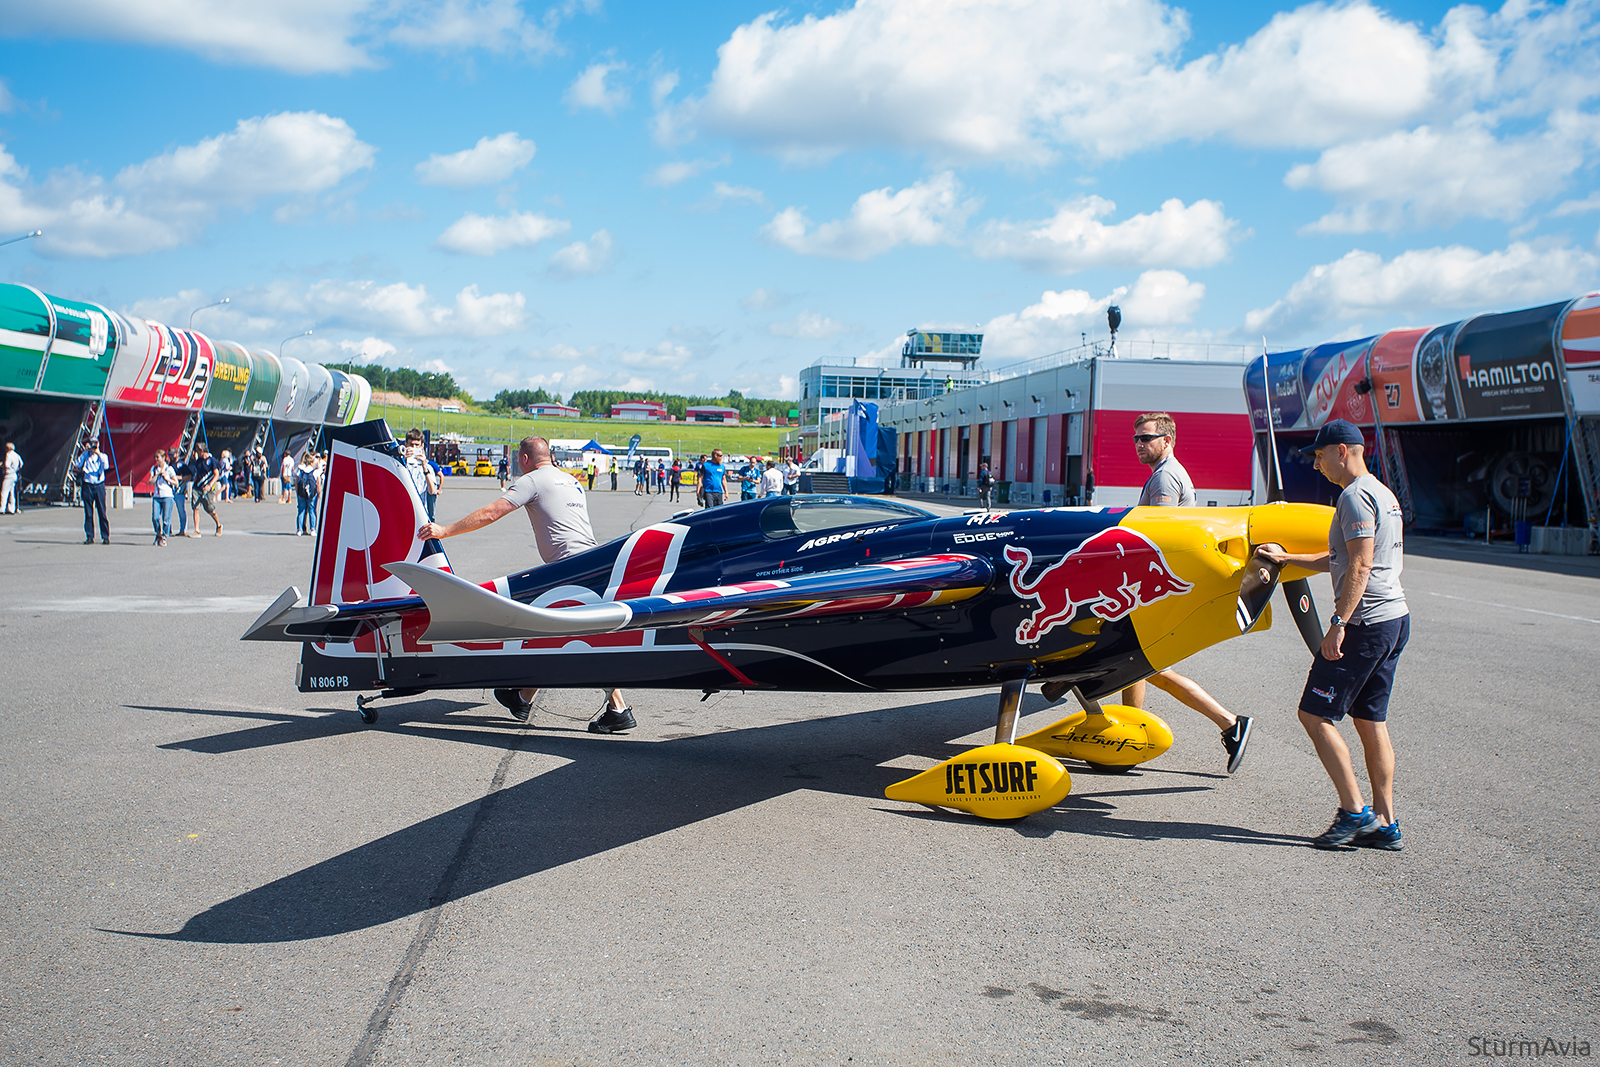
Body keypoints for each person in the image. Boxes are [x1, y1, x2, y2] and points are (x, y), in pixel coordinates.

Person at [418, 435, 635, 734]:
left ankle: (618, 708)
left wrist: (444, 530)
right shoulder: (571, 481)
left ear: (523, 460)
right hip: (592, 562)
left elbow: (492, 512)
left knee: (567, 639)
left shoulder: (532, 480)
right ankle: (523, 697)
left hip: (568, 569)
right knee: (556, 637)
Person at [1260, 420, 1409, 851]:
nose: (1317, 462)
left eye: (1320, 454)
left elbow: (1360, 566)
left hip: (1365, 624)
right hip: (1394, 618)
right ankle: (1385, 822)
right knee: (1370, 720)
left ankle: (1353, 811)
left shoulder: (1354, 496)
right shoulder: (1383, 493)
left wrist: (1338, 624)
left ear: (1342, 451)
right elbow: (1341, 555)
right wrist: (1288, 560)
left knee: (1313, 714)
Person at [1120, 413, 1252, 773]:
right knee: (1135, 663)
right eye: (1135, 438)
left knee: (1145, 662)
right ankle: (1129, 735)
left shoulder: (1165, 477)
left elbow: (1158, 540)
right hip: (1155, 587)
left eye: (1146, 438)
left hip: (1155, 589)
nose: (1138, 444)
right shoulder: (1164, 473)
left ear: (1167, 440)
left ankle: (1229, 722)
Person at [74, 438, 112, 544]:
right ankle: (90, 536)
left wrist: (97, 452)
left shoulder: (103, 456)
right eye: (91, 444)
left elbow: (106, 465)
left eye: (95, 444)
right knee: (88, 512)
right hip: (88, 485)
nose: (93, 447)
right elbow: (77, 464)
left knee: (102, 512)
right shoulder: (86, 456)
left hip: (99, 485)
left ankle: (105, 536)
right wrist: (86, 452)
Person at [188, 442, 224, 536]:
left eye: (198, 450)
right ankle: (197, 530)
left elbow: (216, 475)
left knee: (210, 509)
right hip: (197, 487)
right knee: (195, 507)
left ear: (202, 450)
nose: (196, 452)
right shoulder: (198, 460)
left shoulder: (212, 460)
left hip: (208, 488)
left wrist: (210, 485)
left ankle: (219, 525)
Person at [149, 449, 177, 546]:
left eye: (158, 457)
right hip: (157, 495)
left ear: (163, 458)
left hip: (167, 496)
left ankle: (164, 536)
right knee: (155, 517)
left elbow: (176, 482)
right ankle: (158, 533)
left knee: (166, 519)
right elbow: (150, 482)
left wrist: (167, 478)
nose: (156, 459)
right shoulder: (153, 469)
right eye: (155, 457)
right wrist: (156, 475)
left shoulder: (169, 469)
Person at [294, 452, 320, 536]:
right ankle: (313, 529)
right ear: (311, 463)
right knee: (312, 511)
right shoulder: (315, 472)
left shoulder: (301, 470)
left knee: (301, 511)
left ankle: (299, 530)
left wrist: (297, 491)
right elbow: (318, 483)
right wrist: (319, 493)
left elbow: (296, 481)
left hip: (301, 493)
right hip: (312, 494)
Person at [2, 442, 22, 513]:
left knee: (4, 492)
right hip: (14, 474)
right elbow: (21, 464)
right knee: (11, 492)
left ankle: (2, 508)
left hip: (9, 474)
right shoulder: (16, 455)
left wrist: (2, 465)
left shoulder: (8, 455)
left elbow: (7, 465)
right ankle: (11, 508)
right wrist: (16, 469)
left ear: (8, 448)